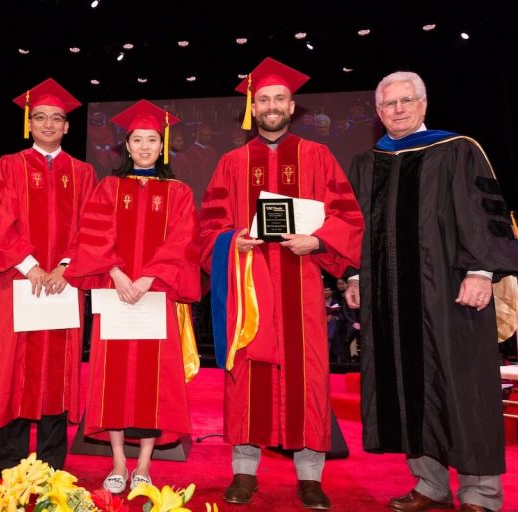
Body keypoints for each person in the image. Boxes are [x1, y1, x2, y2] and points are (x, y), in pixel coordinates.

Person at [344, 71, 518, 512]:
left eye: (406, 100)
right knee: (406, 386)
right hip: (389, 300)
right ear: (378, 112)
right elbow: (355, 226)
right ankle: (430, 483)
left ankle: (481, 492)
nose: (397, 109)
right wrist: (355, 277)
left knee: (463, 385)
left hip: (450, 293)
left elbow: (483, 214)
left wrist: (481, 271)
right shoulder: (368, 163)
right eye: (388, 104)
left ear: (424, 104)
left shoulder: (458, 150)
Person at [198, 57, 364, 509]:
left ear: (292, 106)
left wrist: (318, 240)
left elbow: (347, 216)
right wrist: (235, 242)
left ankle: (310, 476)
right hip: (248, 289)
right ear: (254, 107)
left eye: (278, 99)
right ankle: (244, 473)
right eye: (263, 100)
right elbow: (209, 225)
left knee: (306, 377)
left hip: (302, 285)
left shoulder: (317, 157)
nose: (271, 106)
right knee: (248, 374)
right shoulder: (232, 163)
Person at [64, 99, 200, 493]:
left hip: (157, 295)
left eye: (152, 140)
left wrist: (149, 277)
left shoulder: (179, 192)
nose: (144, 147)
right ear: (127, 146)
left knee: (155, 381)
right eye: (137, 140)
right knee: (114, 378)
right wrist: (117, 272)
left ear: (162, 146)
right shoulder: (109, 187)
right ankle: (119, 461)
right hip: (116, 292)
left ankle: (145, 463)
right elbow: (93, 235)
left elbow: (182, 242)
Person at [0, 78, 97, 475]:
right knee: (13, 369)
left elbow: (92, 228)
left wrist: (64, 266)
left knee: (59, 372)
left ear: (66, 126)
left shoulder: (82, 173)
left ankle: (51, 465)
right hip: (18, 282)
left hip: (64, 285)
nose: (47, 124)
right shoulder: (9, 166)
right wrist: (30, 266)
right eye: (40, 117)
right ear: (30, 124)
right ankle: (8, 463)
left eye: (56, 118)